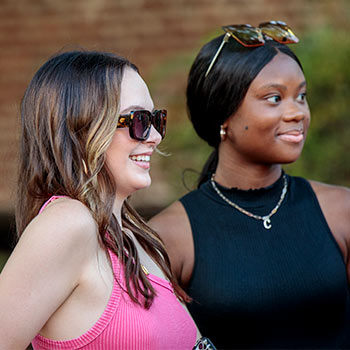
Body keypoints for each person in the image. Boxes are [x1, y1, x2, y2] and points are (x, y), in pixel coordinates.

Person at [149, 21, 350, 349]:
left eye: (301, 96)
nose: (297, 112)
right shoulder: (170, 237)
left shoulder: (341, 211)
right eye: (274, 98)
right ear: (223, 115)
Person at [0, 50, 199, 349]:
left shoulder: (134, 237)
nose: (155, 136)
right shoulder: (68, 223)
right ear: (81, 129)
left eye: (158, 120)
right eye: (139, 121)